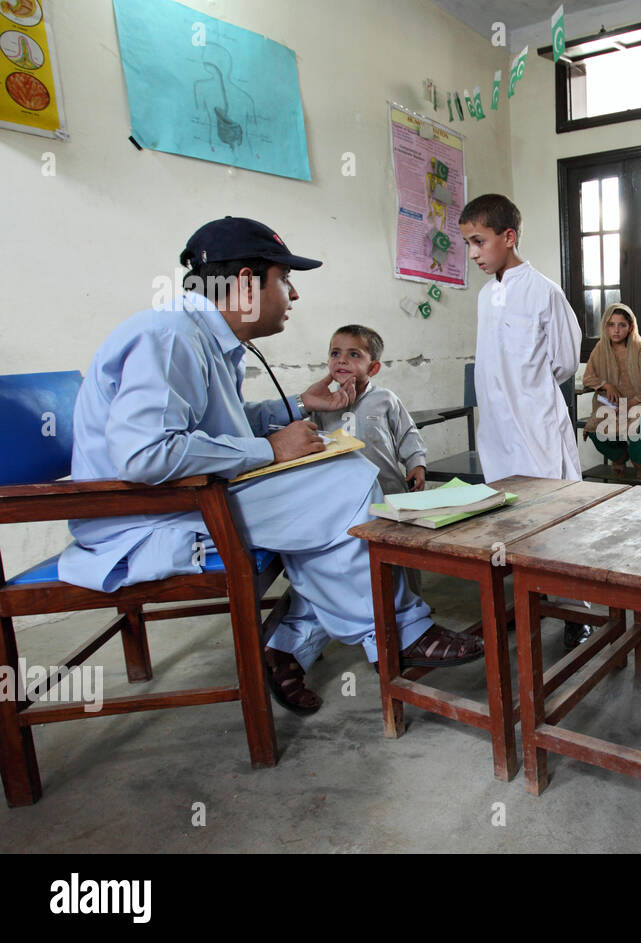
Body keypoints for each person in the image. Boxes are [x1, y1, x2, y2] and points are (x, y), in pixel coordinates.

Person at [58, 217, 482, 716]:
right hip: (147, 512)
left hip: (189, 496)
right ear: (244, 284)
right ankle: (395, 631)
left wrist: (297, 406)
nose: (294, 294)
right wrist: (271, 450)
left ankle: (324, 639)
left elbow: (220, 428)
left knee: (339, 476)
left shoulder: (200, 338)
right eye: (285, 279)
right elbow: (145, 455)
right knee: (342, 485)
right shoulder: (169, 336)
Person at [458, 194, 591, 647]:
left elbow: (565, 360)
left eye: (479, 241)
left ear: (508, 237)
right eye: (467, 244)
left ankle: (575, 610)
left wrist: (526, 392)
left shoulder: (543, 290)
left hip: (536, 424)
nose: (473, 253)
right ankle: (526, 600)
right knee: (508, 520)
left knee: (555, 518)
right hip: (496, 430)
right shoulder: (483, 295)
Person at [311, 323, 427, 589]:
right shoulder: (321, 404)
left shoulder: (385, 399)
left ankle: (411, 600)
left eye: (354, 354)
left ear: (373, 367)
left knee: (400, 545)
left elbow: (408, 434)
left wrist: (416, 464)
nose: (341, 359)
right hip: (343, 496)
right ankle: (369, 600)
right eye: (334, 353)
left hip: (388, 490)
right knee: (357, 550)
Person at [580, 303, 641, 482]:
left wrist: (632, 403)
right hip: (613, 407)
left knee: (639, 425)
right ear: (605, 327)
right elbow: (588, 377)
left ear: (630, 327)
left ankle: (640, 465)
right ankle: (619, 457)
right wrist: (606, 385)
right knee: (593, 428)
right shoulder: (600, 349)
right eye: (611, 325)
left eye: (622, 325)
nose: (616, 330)